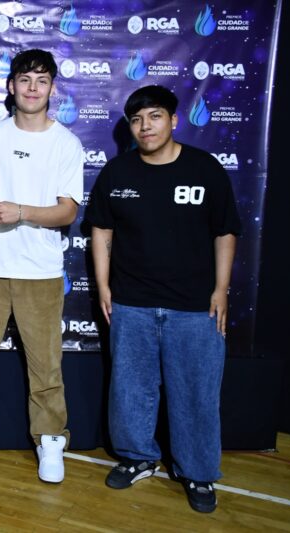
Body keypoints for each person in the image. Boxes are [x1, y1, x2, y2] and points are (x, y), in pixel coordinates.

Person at [86, 85, 240, 513]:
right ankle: (138, 457)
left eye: (154, 116)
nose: (145, 126)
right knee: (130, 389)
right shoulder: (117, 172)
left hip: (194, 307)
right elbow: (101, 229)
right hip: (132, 302)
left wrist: (220, 289)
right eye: (137, 120)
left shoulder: (205, 168)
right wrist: (104, 286)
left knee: (196, 393)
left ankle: (199, 472)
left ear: (173, 120)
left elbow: (225, 231)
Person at [0, 49, 83, 483]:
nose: (32, 88)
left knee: (46, 367)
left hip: (40, 272)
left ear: (52, 88)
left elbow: (68, 211)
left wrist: (22, 212)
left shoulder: (66, 143)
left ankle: (50, 440)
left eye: (41, 80)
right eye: (25, 79)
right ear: (11, 86)